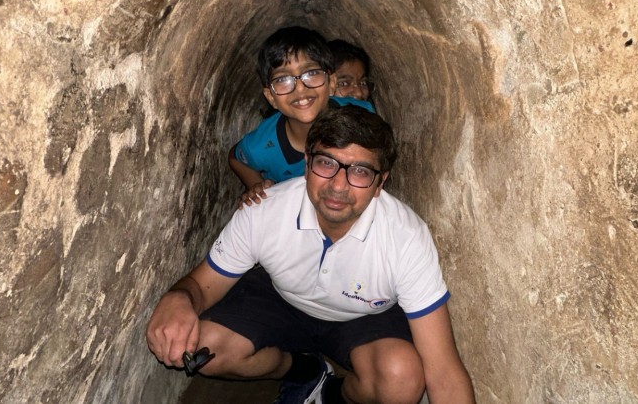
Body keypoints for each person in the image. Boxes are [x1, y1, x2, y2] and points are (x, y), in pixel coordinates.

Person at [147, 106, 475, 404]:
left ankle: (332, 394)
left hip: (360, 318)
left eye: (360, 171)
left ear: (380, 184)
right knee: (206, 347)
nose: (338, 185)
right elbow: (204, 284)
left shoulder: (405, 237)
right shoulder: (264, 211)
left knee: (401, 377)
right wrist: (179, 298)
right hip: (282, 299)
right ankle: (303, 371)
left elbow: (443, 369)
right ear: (306, 164)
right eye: (326, 163)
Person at [229, 27, 375, 208]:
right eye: (283, 79)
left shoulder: (362, 116)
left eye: (311, 73)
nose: (300, 89)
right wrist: (258, 187)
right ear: (271, 97)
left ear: (332, 83)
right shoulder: (263, 144)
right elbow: (236, 158)